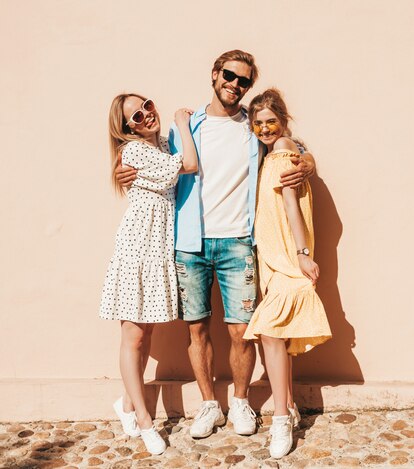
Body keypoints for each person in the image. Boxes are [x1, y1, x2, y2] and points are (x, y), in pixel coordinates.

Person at [114, 50, 316, 439]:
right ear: (214, 74)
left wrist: (307, 161)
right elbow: (150, 158)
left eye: (243, 80)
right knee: (197, 331)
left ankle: (239, 402)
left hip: (239, 241)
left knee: (241, 332)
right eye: (229, 75)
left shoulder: (252, 129)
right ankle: (209, 404)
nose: (235, 85)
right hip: (190, 245)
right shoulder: (185, 129)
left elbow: (287, 145)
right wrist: (124, 169)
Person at [101, 94, 198, 455]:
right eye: (136, 117)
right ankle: (144, 420)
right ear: (127, 127)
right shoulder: (136, 152)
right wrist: (182, 122)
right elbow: (188, 163)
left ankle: (126, 403)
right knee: (134, 336)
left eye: (148, 107)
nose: (146, 117)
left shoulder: (156, 144)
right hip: (139, 248)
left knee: (147, 333)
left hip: (158, 246)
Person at [243, 88, 331, 458]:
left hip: (285, 255)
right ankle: (289, 406)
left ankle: (281, 419)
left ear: (283, 120)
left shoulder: (281, 153)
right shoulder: (273, 152)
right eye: (258, 123)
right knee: (277, 336)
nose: (264, 128)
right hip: (271, 257)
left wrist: (302, 254)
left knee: (271, 331)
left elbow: (292, 206)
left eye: (270, 121)